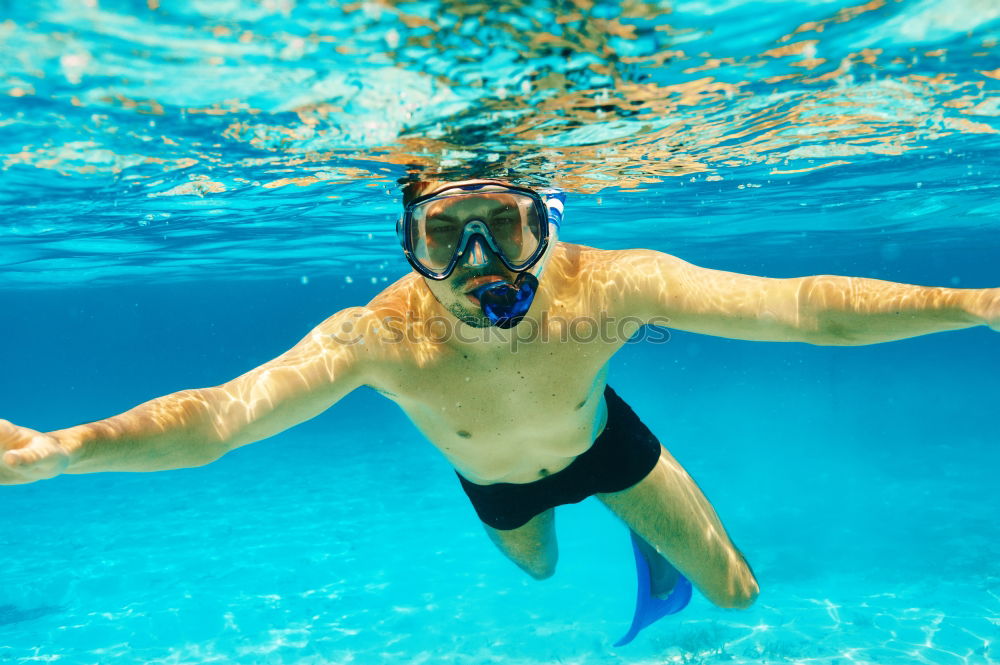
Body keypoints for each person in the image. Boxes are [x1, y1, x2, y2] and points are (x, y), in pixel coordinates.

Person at [2, 179, 997, 644]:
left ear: (546, 226)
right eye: (446, 234)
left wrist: (976, 304)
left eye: (503, 228)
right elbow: (221, 417)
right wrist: (58, 450)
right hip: (494, 481)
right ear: (410, 247)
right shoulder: (376, 336)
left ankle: (642, 526)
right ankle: (598, 525)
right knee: (537, 564)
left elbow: (803, 308)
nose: (479, 262)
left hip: (609, 446)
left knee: (734, 596)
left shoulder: (611, 285)